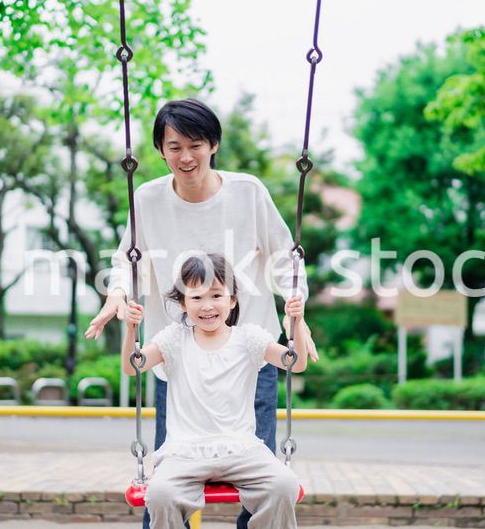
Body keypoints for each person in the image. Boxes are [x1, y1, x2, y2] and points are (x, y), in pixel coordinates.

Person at [84, 98, 317, 528]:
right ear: (160, 150)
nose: (185, 157)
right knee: (169, 476)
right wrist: (117, 294)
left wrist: (295, 316)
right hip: (176, 354)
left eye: (195, 144)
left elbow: (286, 258)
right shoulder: (148, 198)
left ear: (213, 145)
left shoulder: (247, 192)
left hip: (251, 351)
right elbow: (128, 261)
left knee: (262, 477)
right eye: (174, 147)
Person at [121, 254, 312, 529]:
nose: (207, 306)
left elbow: (296, 363)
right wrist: (131, 330)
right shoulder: (174, 339)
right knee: (160, 494)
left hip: (241, 449)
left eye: (216, 296)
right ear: (183, 303)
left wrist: (297, 324)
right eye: (196, 297)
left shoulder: (249, 338)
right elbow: (132, 367)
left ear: (232, 300)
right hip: (184, 452)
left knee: (284, 485)